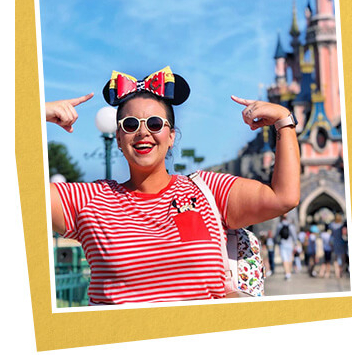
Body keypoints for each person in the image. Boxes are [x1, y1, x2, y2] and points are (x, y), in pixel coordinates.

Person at [46, 66, 300, 304]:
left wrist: (284, 122)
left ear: (171, 137)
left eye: (155, 124)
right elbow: (21, 194)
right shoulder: (89, 199)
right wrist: (35, 115)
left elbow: (283, 197)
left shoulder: (209, 191)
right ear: (119, 139)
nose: (143, 132)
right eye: (131, 125)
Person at [274, 214, 298, 280]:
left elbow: (276, 235)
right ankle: (289, 272)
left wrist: (276, 242)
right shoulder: (291, 225)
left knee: (285, 259)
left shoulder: (279, 225)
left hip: (282, 244)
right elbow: (294, 236)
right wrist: (295, 244)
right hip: (290, 244)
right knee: (289, 259)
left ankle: (287, 273)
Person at [329, 213, 346, 279]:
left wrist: (330, 243)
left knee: (335, 259)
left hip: (335, 242)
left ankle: (337, 273)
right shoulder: (342, 225)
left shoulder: (332, 225)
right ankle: (341, 271)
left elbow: (331, 235)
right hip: (341, 242)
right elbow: (344, 233)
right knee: (343, 257)